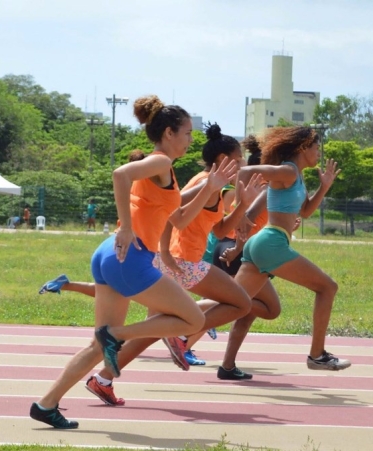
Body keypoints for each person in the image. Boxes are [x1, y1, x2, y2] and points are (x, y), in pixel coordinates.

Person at [29, 95, 238, 429]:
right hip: (130, 256)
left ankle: (46, 404)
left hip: (111, 254)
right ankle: (118, 334)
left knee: (98, 345)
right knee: (193, 319)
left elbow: (180, 221)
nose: (189, 140)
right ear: (168, 133)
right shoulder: (158, 162)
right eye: (186, 133)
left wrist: (210, 188)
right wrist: (126, 227)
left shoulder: (165, 171)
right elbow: (119, 174)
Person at [218, 125, 351, 381]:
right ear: (303, 148)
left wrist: (324, 187)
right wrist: (243, 209)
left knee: (237, 305)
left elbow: (305, 212)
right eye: (316, 147)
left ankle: (215, 355)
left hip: (263, 243)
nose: (319, 153)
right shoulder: (288, 171)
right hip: (272, 243)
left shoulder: (298, 176)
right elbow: (246, 170)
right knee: (327, 287)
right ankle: (317, 354)